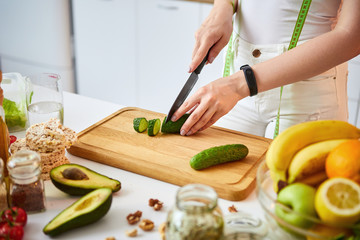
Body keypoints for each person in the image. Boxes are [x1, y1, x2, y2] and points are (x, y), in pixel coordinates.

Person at [171, 0, 360, 138]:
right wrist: (223, 7)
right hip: (234, 86)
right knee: (221, 184)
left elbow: (353, 37)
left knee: (286, 190)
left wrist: (239, 84)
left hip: (305, 94)